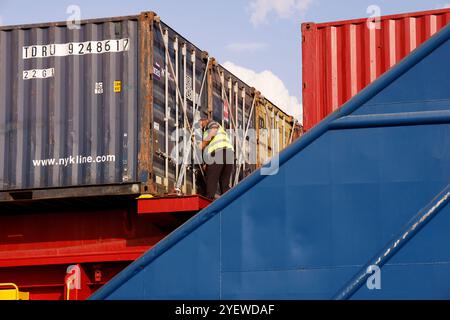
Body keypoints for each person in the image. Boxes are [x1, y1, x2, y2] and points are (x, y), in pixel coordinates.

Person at [198, 118, 234, 200]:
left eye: (200, 124)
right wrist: (206, 163)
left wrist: (202, 144)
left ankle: (209, 201)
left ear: (204, 120)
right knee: (224, 183)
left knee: (211, 179)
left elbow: (213, 131)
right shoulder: (220, 130)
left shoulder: (211, 123)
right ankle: (227, 203)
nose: (201, 127)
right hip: (229, 153)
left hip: (219, 152)